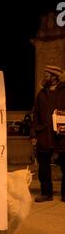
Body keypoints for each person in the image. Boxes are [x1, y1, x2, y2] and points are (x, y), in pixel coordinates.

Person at [30, 65, 65, 203]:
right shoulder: (41, 94)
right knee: (43, 167)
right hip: (43, 135)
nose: (44, 76)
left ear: (55, 76)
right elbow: (36, 115)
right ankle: (46, 193)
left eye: (47, 74)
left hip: (61, 137)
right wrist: (33, 135)